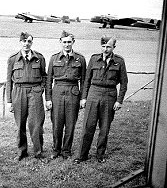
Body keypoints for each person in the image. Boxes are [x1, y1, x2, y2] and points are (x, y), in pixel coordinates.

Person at [74, 35, 128, 163]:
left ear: (114, 47)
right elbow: (86, 80)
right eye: (103, 46)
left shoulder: (119, 61)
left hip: (109, 95)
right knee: (88, 126)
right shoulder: (94, 59)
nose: (105, 49)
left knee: (104, 128)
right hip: (94, 93)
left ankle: (100, 155)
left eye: (108, 47)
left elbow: (124, 83)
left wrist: (119, 100)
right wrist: (84, 98)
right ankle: (82, 155)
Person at [46, 30, 86, 160]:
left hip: (73, 91)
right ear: (60, 42)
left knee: (70, 123)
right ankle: (56, 149)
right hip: (57, 91)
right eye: (64, 42)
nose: (67, 45)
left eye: (69, 42)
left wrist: (83, 98)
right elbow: (48, 80)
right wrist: (48, 98)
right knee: (57, 123)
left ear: (73, 42)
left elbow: (84, 81)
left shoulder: (80, 59)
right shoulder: (54, 58)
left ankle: (66, 150)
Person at [6, 32, 47, 161]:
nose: (26, 44)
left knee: (36, 123)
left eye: (29, 41)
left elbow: (44, 76)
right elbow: (9, 81)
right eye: (24, 41)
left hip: (35, 92)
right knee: (20, 124)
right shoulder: (13, 59)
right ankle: (22, 151)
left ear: (32, 43)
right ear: (20, 42)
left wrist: (41, 89)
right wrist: (9, 101)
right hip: (18, 92)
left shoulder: (39, 58)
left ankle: (38, 151)